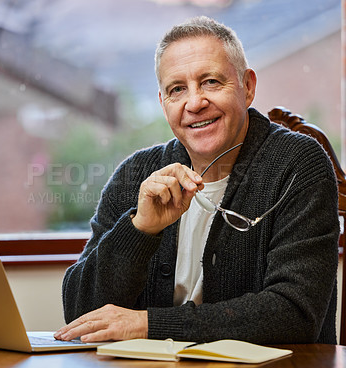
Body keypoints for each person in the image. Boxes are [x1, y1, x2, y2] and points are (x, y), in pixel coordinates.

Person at [54, 16, 339, 345]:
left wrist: (149, 324)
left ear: (247, 87)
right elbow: (78, 313)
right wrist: (139, 229)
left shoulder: (299, 164)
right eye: (177, 89)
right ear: (163, 104)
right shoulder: (135, 175)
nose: (195, 103)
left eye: (211, 82)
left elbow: (294, 314)